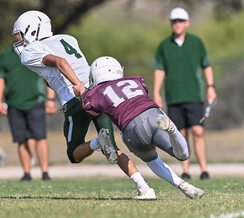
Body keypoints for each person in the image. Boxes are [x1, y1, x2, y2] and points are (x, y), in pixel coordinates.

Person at [13, 10, 155, 200]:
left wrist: (76, 85)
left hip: (76, 99)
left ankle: (97, 142)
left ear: (32, 31)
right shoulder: (68, 39)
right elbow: (67, 62)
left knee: (74, 154)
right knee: (112, 147)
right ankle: (145, 189)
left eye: (20, 35)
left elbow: (60, 62)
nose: (19, 41)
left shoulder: (30, 51)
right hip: (97, 94)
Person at [83, 56, 204, 199]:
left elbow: (92, 110)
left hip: (131, 129)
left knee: (152, 161)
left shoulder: (95, 93)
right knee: (183, 155)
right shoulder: (135, 80)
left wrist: (82, 93)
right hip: (153, 114)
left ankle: (184, 186)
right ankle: (172, 130)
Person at [152, 7, 217, 180]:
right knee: (180, 135)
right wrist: (157, 93)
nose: (177, 24)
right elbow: (159, 69)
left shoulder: (196, 42)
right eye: (174, 21)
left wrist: (211, 86)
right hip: (174, 97)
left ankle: (204, 170)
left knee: (198, 131)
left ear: (187, 23)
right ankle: (186, 170)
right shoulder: (164, 45)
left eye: (180, 21)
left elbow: (206, 65)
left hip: (194, 96)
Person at [0, 34, 57, 181]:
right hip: (14, 102)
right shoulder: (6, 54)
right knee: (21, 139)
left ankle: (45, 172)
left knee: (40, 137)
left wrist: (51, 99)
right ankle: (27, 173)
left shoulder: (38, 50)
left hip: (36, 101)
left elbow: (49, 75)